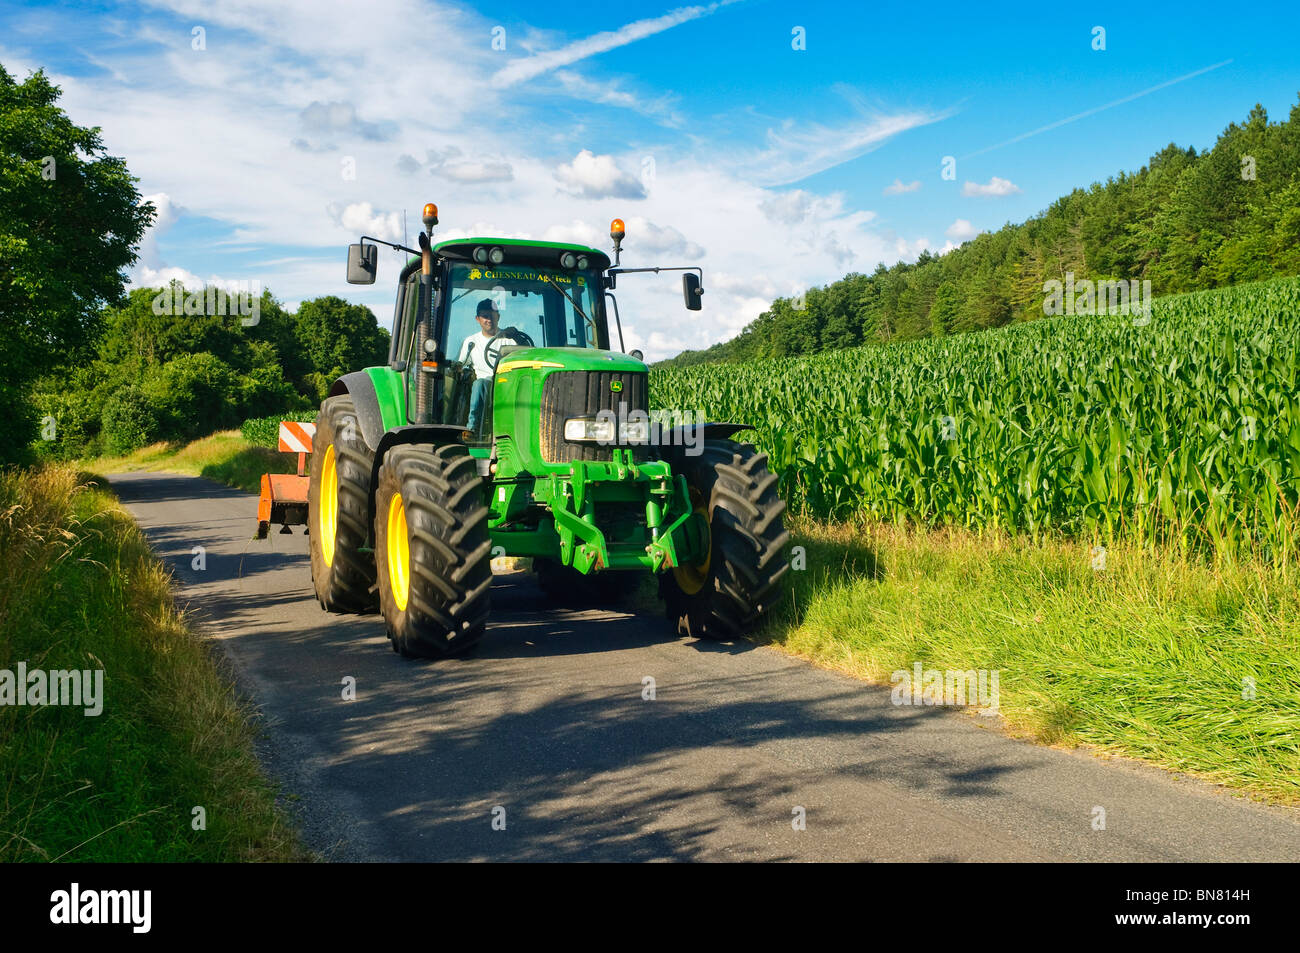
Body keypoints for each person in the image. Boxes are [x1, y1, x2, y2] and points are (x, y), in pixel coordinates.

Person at [456, 298, 514, 432]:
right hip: (485, 385)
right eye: (485, 316)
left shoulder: (509, 339)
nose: (489, 320)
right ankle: (472, 429)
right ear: (478, 319)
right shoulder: (471, 341)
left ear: (498, 317)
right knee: (479, 383)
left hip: (506, 382)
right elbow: (461, 363)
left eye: (492, 316)